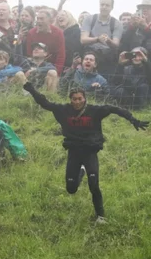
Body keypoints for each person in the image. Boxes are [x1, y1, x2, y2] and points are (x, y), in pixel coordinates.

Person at [23, 82, 149, 223]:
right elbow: (45, 103)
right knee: (71, 189)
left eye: (80, 99)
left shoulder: (95, 111)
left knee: (93, 184)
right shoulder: (63, 110)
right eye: (74, 99)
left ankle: (100, 216)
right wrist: (31, 89)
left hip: (90, 151)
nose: (77, 102)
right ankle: (81, 172)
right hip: (74, 151)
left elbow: (114, 109)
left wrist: (133, 120)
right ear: (70, 100)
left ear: (85, 98)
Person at [80, 0, 123, 77]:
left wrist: (108, 40)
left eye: (107, 5)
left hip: (107, 57)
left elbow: (116, 44)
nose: (104, 7)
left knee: (105, 83)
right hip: (90, 54)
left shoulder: (117, 23)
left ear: (112, 7)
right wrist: (97, 39)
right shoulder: (90, 19)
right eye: (102, 4)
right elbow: (83, 39)